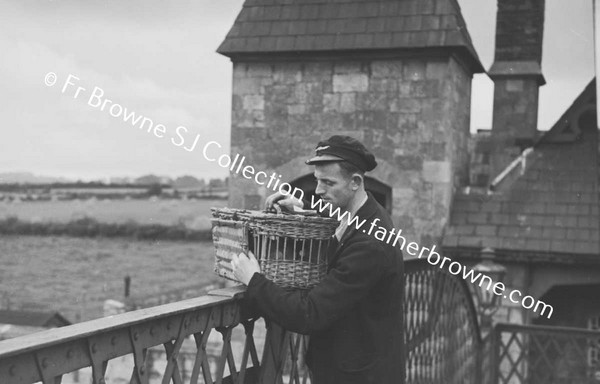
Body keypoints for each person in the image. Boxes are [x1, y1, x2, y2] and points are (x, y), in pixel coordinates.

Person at [230, 135, 405, 384]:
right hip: (354, 368)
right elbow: (336, 213)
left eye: (328, 183)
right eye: (317, 181)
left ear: (355, 182)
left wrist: (253, 279)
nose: (319, 190)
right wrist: (302, 207)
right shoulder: (363, 213)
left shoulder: (370, 244)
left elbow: (310, 313)